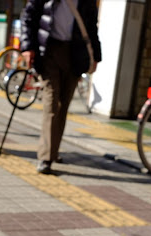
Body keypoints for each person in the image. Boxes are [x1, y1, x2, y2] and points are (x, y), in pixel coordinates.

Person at [20, 0, 101, 174]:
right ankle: (45, 157)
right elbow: (28, 16)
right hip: (49, 51)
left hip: (75, 54)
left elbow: (92, 26)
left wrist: (96, 56)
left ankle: (53, 150)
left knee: (63, 105)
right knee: (51, 103)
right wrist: (27, 47)